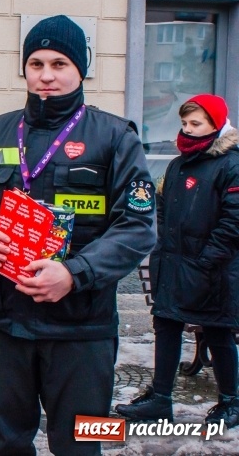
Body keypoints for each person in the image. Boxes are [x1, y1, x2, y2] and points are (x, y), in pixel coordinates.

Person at [0, 15, 157, 455]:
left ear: (80, 69)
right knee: (2, 441)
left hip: (83, 328)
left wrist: (74, 273)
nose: (46, 75)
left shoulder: (115, 135)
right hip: (4, 322)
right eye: (35, 63)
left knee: (86, 443)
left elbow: (138, 226)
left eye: (59, 63)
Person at [115, 94, 239, 428]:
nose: (187, 130)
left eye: (196, 124)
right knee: (166, 326)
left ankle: (231, 402)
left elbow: (233, 224)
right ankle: (160, 399)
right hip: (173, 265)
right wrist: (161, 254)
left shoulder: (232, 164)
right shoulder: (178, 164)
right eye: (184, 123)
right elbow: (165, 212)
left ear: (216, 126)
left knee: (217, 331)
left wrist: (205, 263)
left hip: (212, 270)